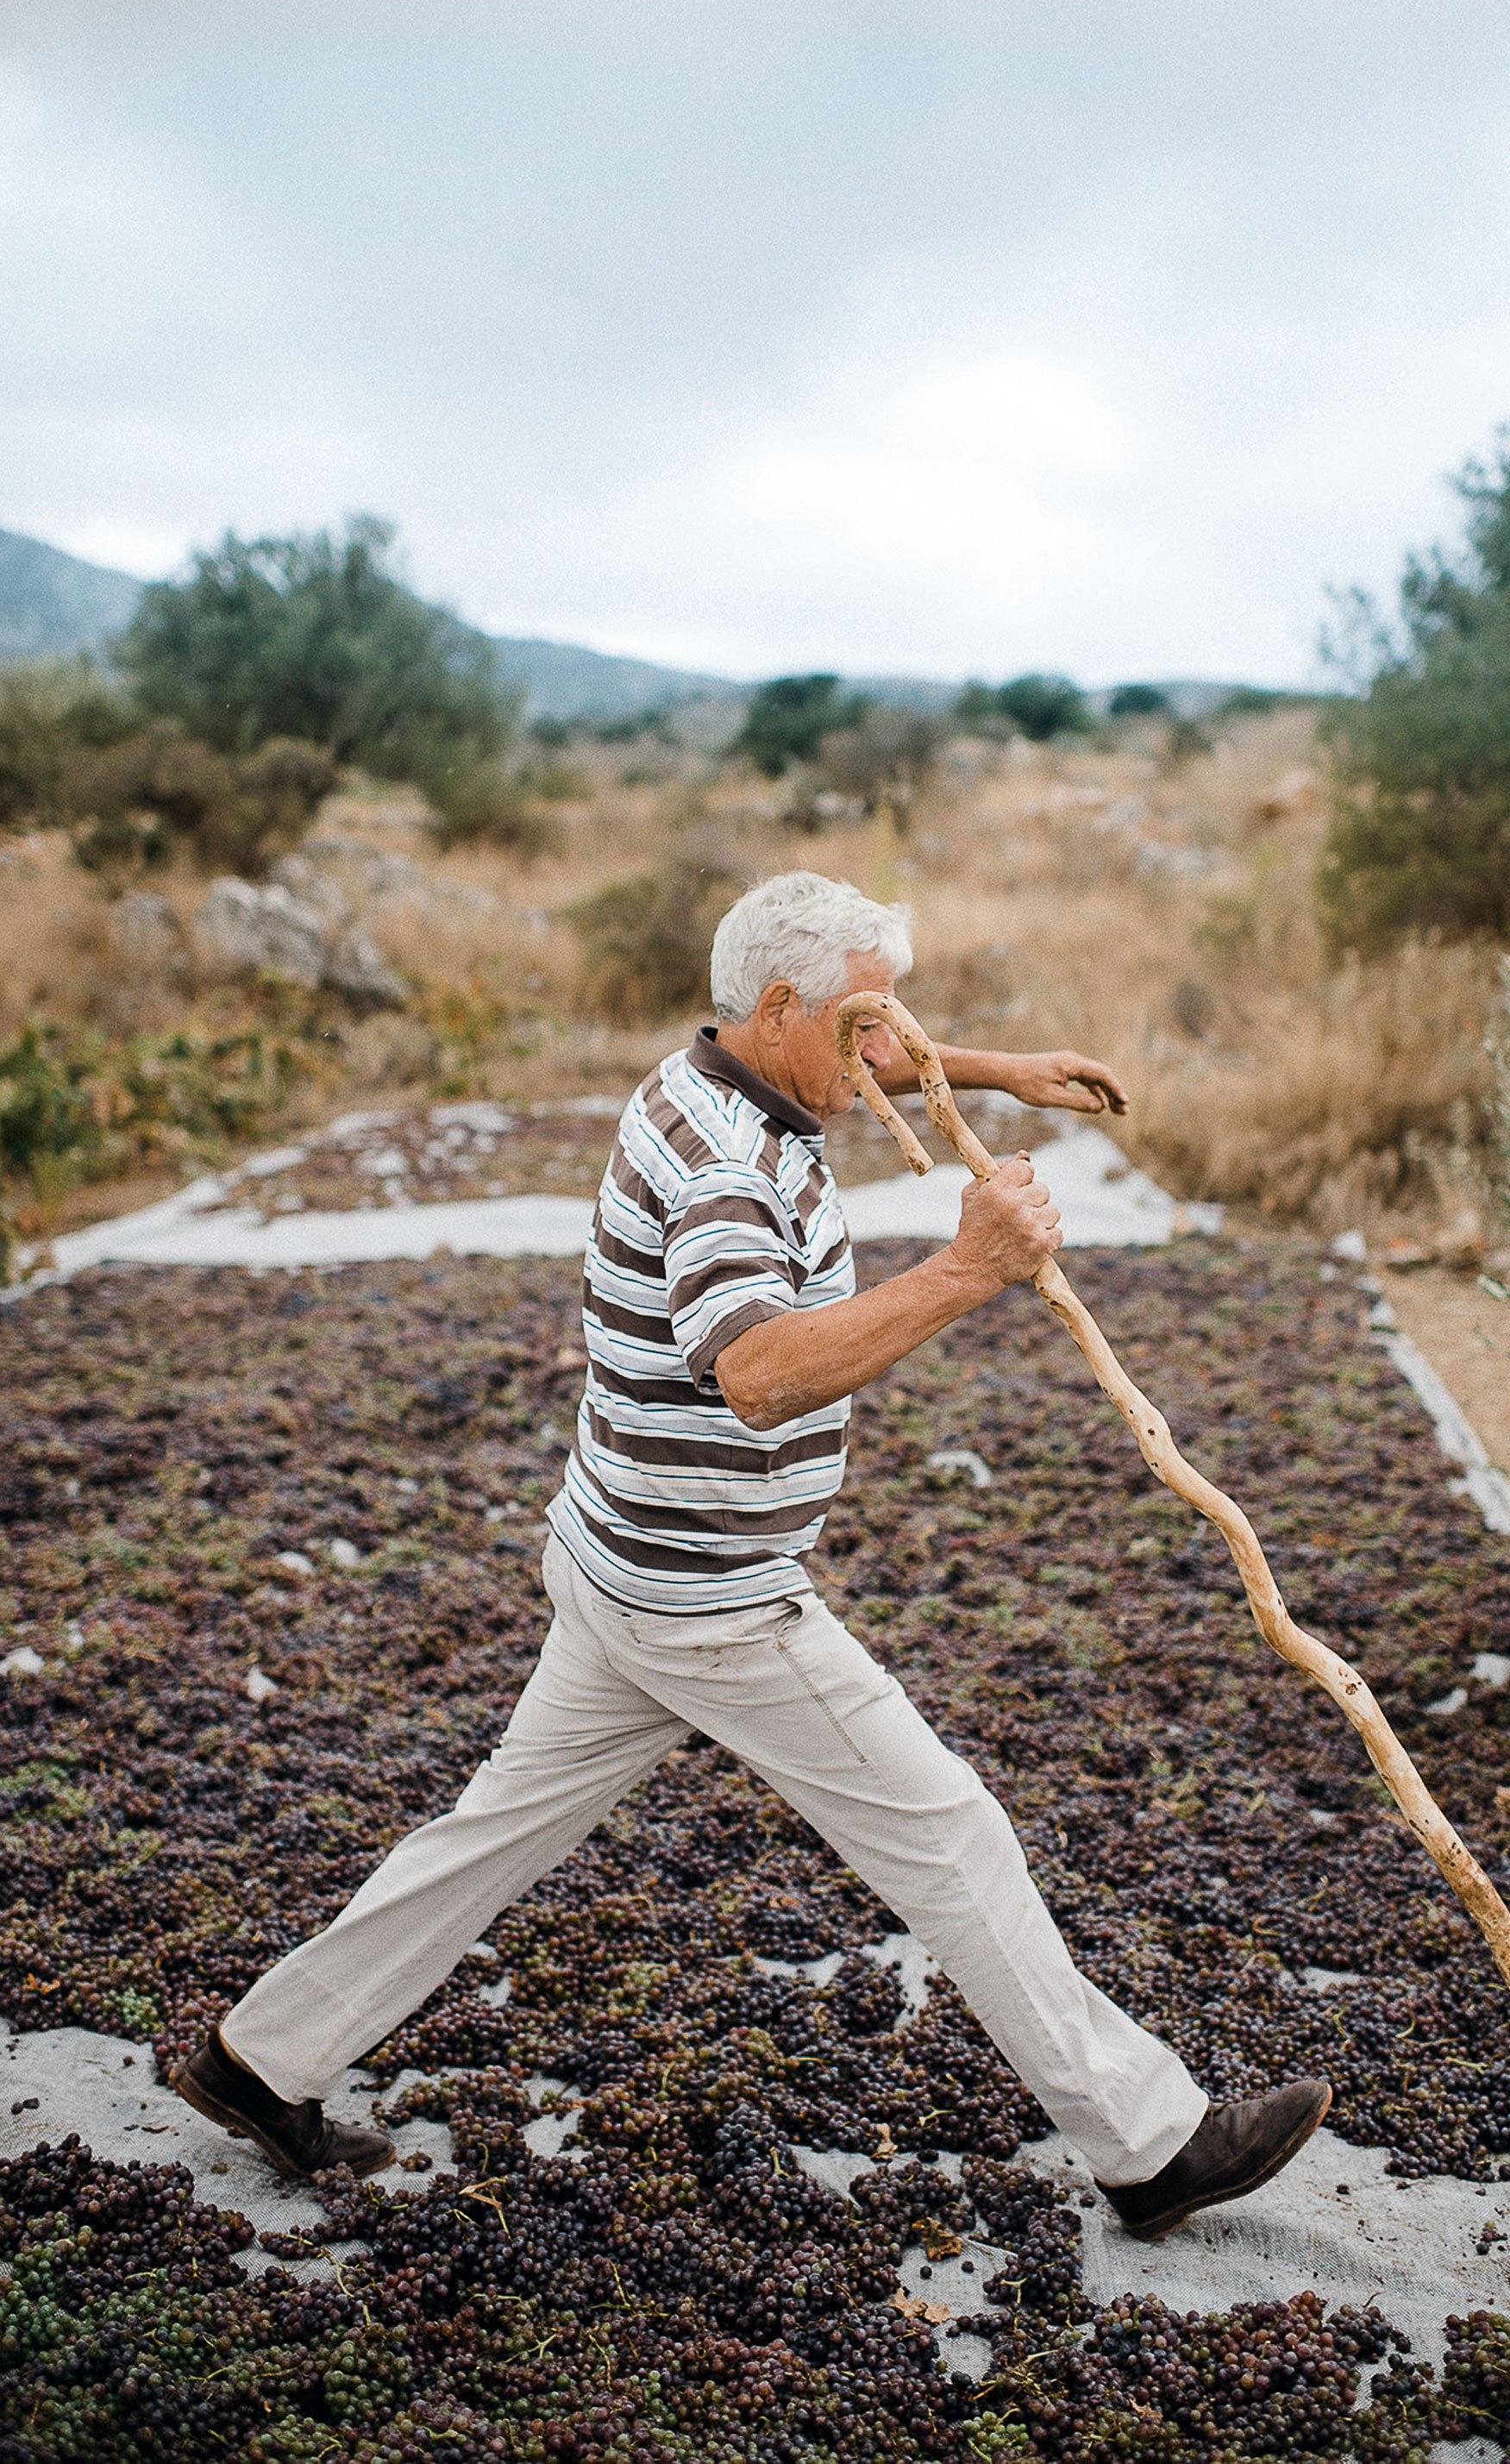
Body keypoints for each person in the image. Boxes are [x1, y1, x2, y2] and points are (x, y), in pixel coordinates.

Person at [172, 872, 1328, 2243]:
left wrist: (995, 1069)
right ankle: (1150, 2145)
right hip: (707, 1598)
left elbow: (860, 1041)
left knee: (489, 1835)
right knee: (950, 1832)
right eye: (865, 1022)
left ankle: (259, 2061)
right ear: (779, 1007)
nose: (885, 1046)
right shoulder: (725, 1167)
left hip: (615, 1554)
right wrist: (969, 1268)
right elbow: (761, 1374)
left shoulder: (713, 1070)